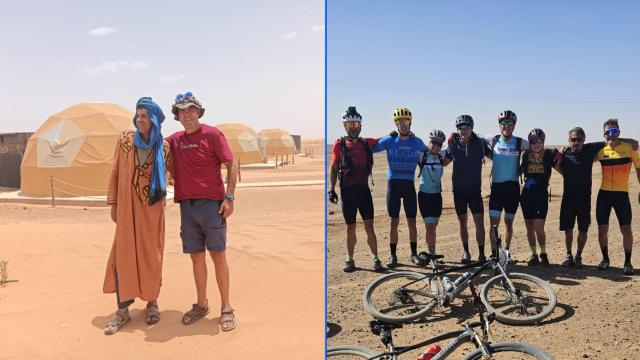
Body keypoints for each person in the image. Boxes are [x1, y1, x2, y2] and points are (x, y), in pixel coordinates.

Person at [166, 92, 238, 331]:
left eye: (190, 110)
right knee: (196, 257)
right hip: (187, 207)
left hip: (212, 206)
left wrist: (229, 197)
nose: (186, 115)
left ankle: (226, 307)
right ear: (177, 116)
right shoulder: (174, 140)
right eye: (181, 111)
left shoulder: (213, 134)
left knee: (218, 255)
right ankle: (201, 304)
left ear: (198, 111)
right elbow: (152, 143)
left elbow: (231, 163)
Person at [103, 97, 172, 335]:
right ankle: (122, 310)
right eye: (138, 115)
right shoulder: (125, 141)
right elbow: (114, 172)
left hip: (152, 213)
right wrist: (113, 202)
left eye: (145, 116)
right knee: (123, 255)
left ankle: (152, 302)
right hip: (126, 208)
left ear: (154, 119)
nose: (140, 120)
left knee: (152, 256)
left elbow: (168, 177)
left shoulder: (163, 147)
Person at [555, 127, 637, 268]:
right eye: (573, 140)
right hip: (568, 198)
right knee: (568, 230)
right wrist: (563, 165)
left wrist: (631, 140)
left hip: (584, 199)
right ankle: (568, 255)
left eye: (579, 139)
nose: (576, 142)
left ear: (584, 140)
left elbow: (610, 139)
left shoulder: (590, 149)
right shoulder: (565, 153)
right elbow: (557, 166)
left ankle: (578, 256)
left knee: (583, 230)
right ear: (569, 141)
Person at [328, 106, 384, 273]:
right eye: (350, 124)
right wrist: (331, 189)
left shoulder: (366, 143)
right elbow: (333, 167)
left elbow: (385, 140)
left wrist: (400, 134)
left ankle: (376, 258)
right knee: (350, 227)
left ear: (360, 125)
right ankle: (350, 259)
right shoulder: (339, 144)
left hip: (363, 191)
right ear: (345, 126)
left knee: (369, 226)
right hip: (347, 192)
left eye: (356, 124)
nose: (353, 127)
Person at [372, 107, 427, 268]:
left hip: (409, 184)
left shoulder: (416, 142)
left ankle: (414, 254)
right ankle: (393, 255)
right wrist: (385, 136)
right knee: (393, 222)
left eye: (406, 122)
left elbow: (430, 152)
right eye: (400, 122)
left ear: (410, 123)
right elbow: (371, 148)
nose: (403, 125)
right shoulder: (390, 141)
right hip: (393, 184)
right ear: (396, 124)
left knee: (412, 222)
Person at [593, 119, 640, 275]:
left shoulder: (630, 148)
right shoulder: (600, 150)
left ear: (619, 132)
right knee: (602, 229)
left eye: (614, 131)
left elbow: (639, 169)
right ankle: (605, 259)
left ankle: (627, 262)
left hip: (622, 194)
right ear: (603, 134)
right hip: (604, 194)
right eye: (607, 132)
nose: (610, 134)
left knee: (626, 229)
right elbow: (583, 156)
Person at [445, 115, 492, 263]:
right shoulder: (453, 144)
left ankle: (481, 253)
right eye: (460, 127)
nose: (463, 130)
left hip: (474, 191)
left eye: (466, 127)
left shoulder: (480, 144)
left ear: (472, 128)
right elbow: (444, 162)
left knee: (479, 222)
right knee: (462, 222)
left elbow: (495, 156)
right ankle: (466, 252)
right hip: (458, 191)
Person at [486, 110, 530, 260]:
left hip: (513, 188)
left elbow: (538, 146)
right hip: (497, 188)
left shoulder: (520, 142)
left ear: (514, 125)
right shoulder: (493, 139)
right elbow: (473, 136)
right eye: (504, 123)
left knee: (509, 222)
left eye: (510, 123)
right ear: (499, 125)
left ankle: (506, 250)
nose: (507, 126)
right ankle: (494, 253)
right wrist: (453, 136)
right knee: (494, 224)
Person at [519, 128, 560, 266]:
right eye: (533, 142)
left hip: (541, 196)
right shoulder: (525, 155)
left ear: (543, 141)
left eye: (539, 141)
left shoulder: (549, 154)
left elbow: (562, 167)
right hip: (526, 196)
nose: (536, 144)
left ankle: (543, 252)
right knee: (529, 228)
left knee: (538, 227)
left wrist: (562, 153)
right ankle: (534, 254)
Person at [417, 129, 451, 265]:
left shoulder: (442, 157)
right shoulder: (422, 155)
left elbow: (453, 148)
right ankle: (432, 257)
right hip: (425, 196)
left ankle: (431, 251)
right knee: (430, 227)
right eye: (433, 143)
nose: (435, 146)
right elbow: (410, 145)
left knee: (433, 227)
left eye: (439, 144)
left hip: (437, 196)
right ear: (429, 142)